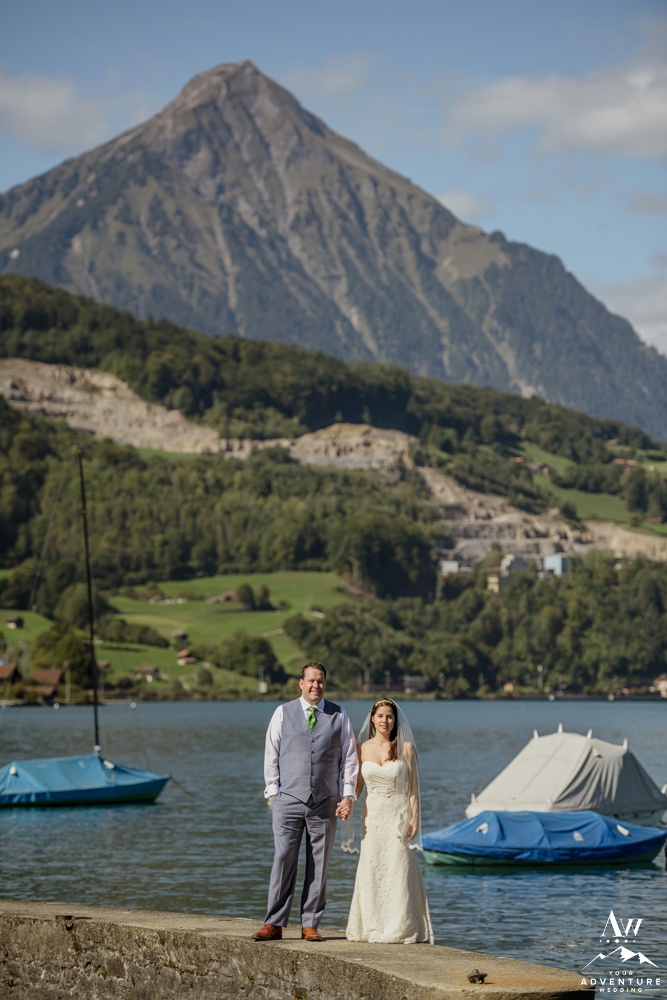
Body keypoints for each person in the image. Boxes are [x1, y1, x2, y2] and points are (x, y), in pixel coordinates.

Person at [253, 662, 359, 942]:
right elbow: (271, 752)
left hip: (325, 801)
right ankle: (274, 923)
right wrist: (273, 791)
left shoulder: (340, 715)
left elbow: (349, 758)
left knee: (319, 863)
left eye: (321, 681)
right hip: (287, 799)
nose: (316, 685)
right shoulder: (282, 712)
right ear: (300, 683)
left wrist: (348, 794)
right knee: (283, 858)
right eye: (311, 680)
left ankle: (310, 923)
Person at [344, 698, 433, 944]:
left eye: (389, 717)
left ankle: (400, 925)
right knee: (373, 867)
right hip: (372, 818)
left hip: (397, 815)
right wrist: (347, 802)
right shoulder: (361, 748)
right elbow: (358, 786)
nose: (385, 721)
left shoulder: (406, 748)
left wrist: (414, 818)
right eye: (380, 716)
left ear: (395, 721)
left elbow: (413, 789)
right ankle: (371, 926)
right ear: (372, 719)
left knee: (398, 869)